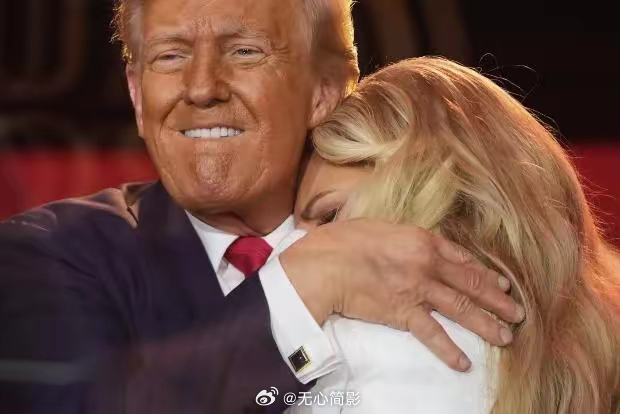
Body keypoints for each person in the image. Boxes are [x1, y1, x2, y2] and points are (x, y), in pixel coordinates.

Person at [0, 1, 522, 413]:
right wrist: (300, 291)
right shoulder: (42, 254)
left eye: (245, 51)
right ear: (137, 96)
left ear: (325, 89)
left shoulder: (420, 235)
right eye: (170, 56)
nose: (201, 88)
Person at [290, 57, 620, 413]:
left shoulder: (373, 349)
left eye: (328, 217)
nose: (293, 252)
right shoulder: (591, 340)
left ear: (428, 189)